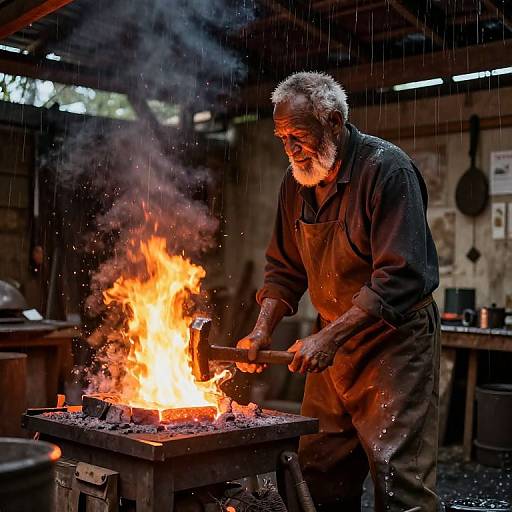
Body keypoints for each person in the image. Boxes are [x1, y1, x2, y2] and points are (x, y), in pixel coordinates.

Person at [236, 71, 441, 511]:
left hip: (396, 348)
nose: (289, 149)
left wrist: (327, 338)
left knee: (397, 478)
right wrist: (260, 330)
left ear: (332, 121)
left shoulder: (388, 171)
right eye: (281, 138)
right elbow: (283, 269)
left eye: (298, 136)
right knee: (317, 471)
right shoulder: (296, 183)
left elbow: (399, 278)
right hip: (333, 352)